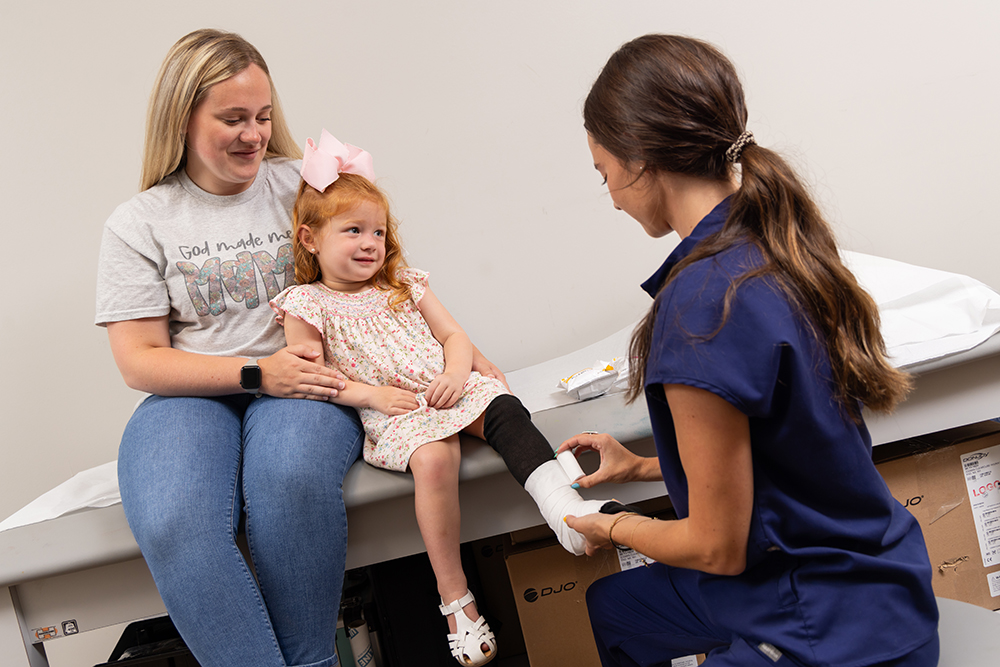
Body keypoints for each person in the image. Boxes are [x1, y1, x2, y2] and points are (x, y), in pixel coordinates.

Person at [94, 29, 506, 667]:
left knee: (287, 481)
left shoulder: (305, 185)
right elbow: (139, 358)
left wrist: (462, 351)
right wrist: (259, 373)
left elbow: (387, 273)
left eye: (262, 117)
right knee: (175, 521)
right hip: (194, 393)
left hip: (316, 382)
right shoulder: (139, 222)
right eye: (232, 118)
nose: (254, 135)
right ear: (183, 118)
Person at [558, 34, 939, 667]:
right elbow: (785, 450)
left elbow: (717, 547)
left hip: (826, 630)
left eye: (605, 175)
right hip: (881, 585)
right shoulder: (776, 246)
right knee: (616, 609)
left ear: (639, 159)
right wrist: (644, 467)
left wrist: (614, 525)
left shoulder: (701, 306)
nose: (613, 197)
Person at [269, 131, 610, 666]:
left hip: (444, 387)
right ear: (310, 239)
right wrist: (373, 396)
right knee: (433, 459)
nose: (369, 243)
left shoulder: (403, 282)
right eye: (353, 230)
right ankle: (456, 598)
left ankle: (566, 512)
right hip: (395, 408)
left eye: (377, 231)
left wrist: (457, 370)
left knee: (503, 407)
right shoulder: (306, 304)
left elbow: (453, 335)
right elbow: (313, 376)